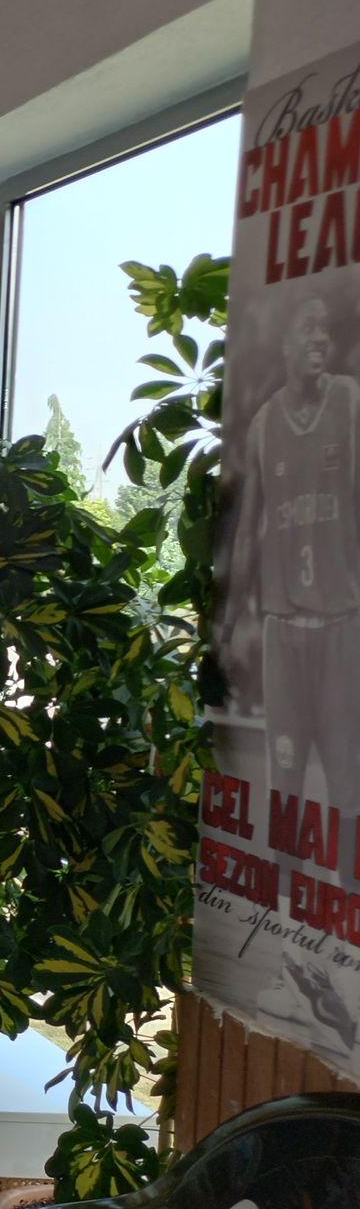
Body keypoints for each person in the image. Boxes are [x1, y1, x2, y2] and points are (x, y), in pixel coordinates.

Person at [229, 294, 360, 818]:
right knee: (283, 781)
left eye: (324, 329)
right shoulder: (263, 425)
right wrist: (233, 622)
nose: (319, 339)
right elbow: (246, 532)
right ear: (284, 342)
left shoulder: (350, 401)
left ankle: (346, 871)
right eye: (307, 329)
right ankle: (282, 870)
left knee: (346, 782)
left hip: (341, 625)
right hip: (283, 631)